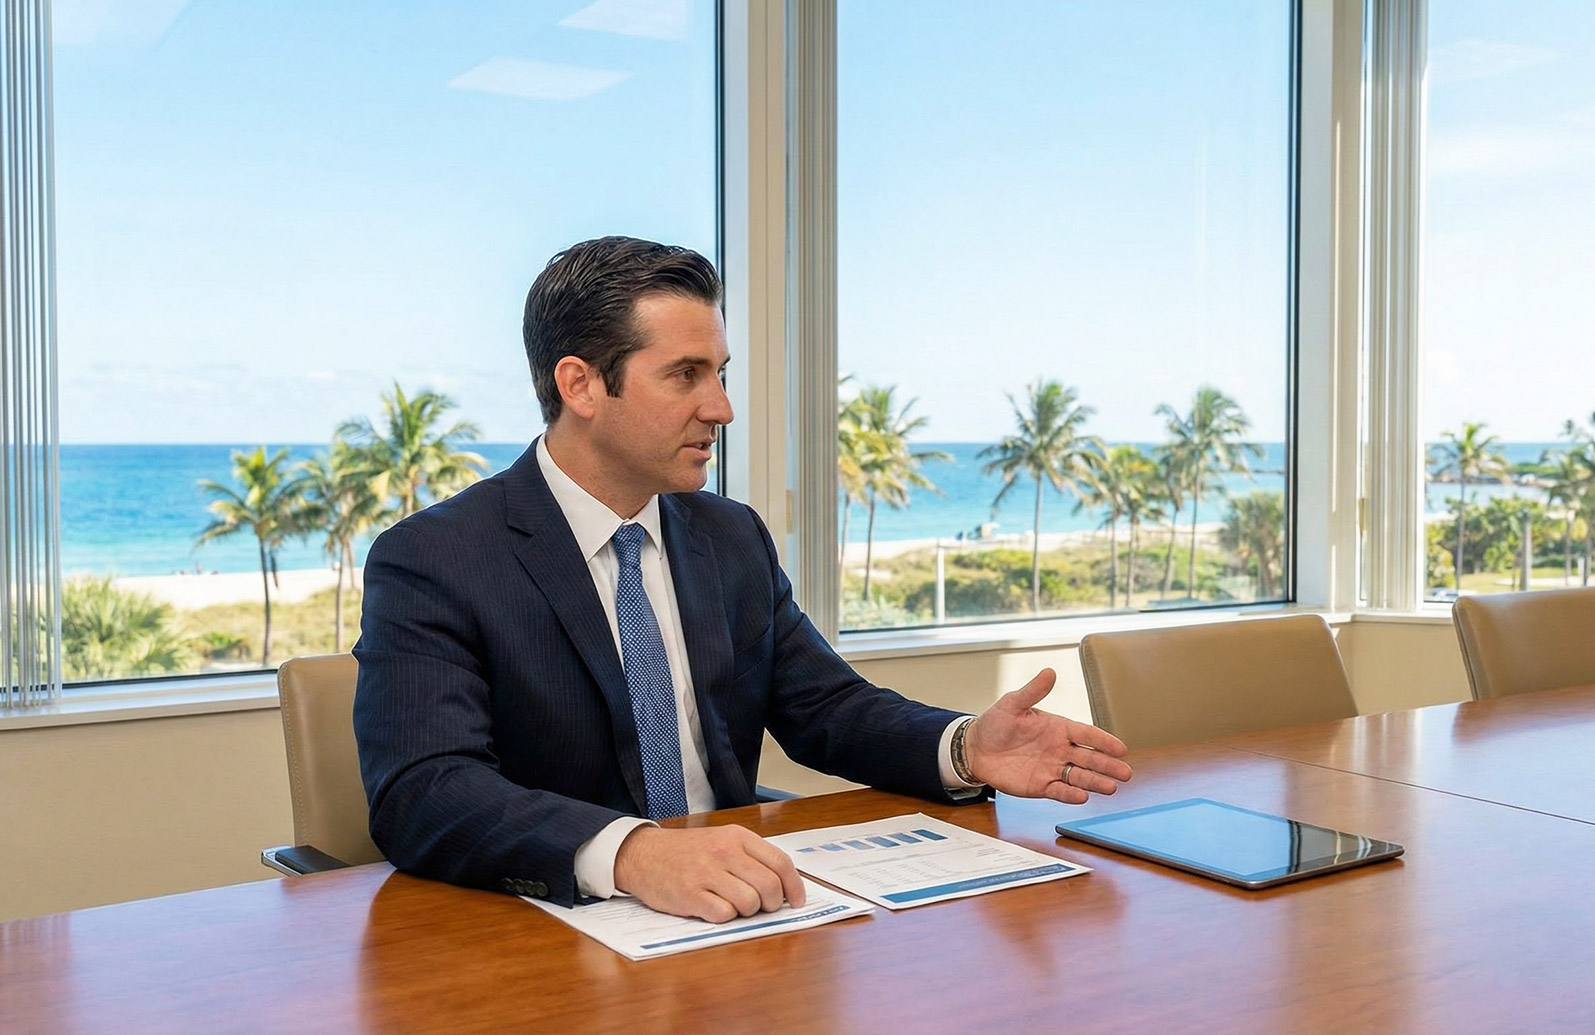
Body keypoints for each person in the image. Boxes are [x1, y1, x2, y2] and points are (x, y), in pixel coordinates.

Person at [353, 236, 1130, 922]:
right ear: (581, 384)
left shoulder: (729, 536)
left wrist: (963, 747)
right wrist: (632, 853)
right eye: (685, 375)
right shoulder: (436, 557)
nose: (721, 408)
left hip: (741, 918)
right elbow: (425, 790)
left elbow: (827, 708)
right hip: (551, 933)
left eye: (719, 373)